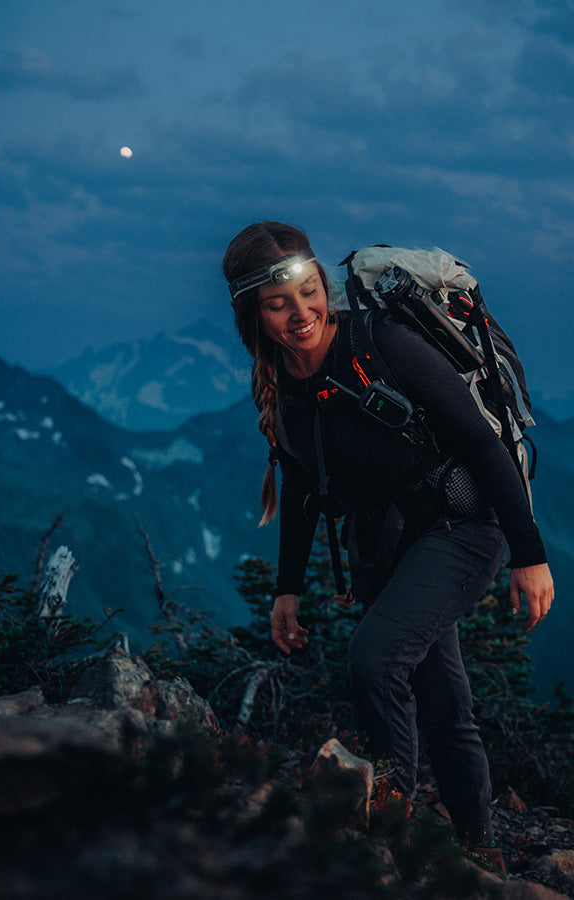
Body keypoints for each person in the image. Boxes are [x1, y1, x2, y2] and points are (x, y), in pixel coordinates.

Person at [223, 220, 554, 853]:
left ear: (322, 283)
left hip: (461, 528)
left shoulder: (384, 345)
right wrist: (285, 590)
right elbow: (300, 484)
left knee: (374, 660)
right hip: (384, 546)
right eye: (277, 303)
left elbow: (484, 448)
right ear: (253, 316)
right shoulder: (282, 386)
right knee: (440, 698)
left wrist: (529, 555)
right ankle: (478, 849)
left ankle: (392, 835)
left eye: (308, 291)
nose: (300, 313)